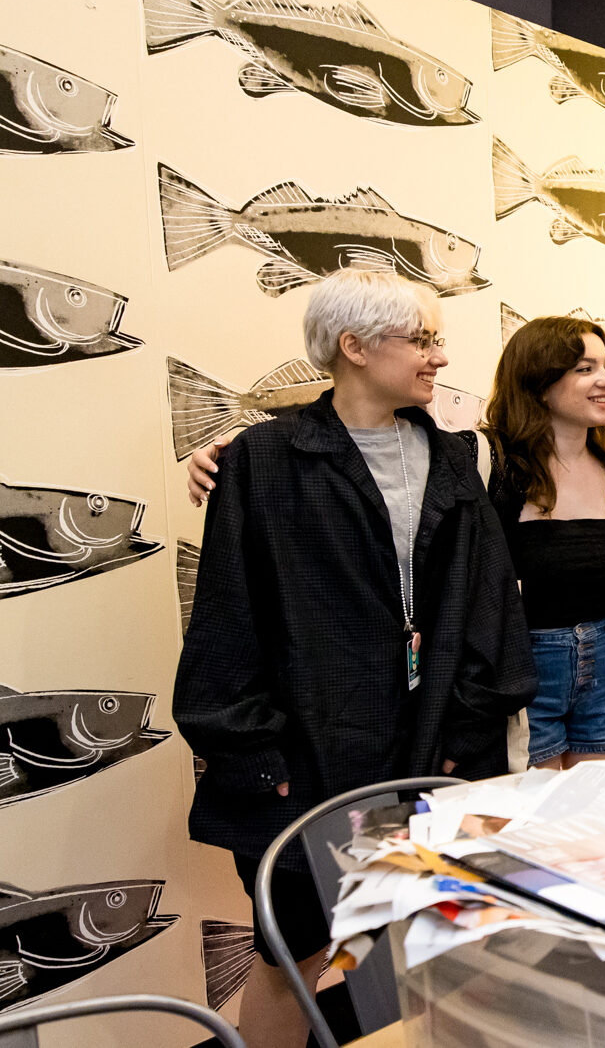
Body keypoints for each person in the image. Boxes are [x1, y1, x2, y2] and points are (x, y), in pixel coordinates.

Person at [173, 270, 536, 1048]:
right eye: (422, 340)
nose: (439, 356)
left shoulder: (458, 462)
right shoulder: (265, 460)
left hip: (429, 751)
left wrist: (468, 735)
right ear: (355, 346)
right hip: (306, 757)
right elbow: (227, 621)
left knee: (426, 947)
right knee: (291, 957)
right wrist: (260, 757)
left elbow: (486, 610)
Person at [480, 315, 605, 770]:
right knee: (536, 820)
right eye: (585, 369)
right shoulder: (493, 468)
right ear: (539, 380)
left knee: (598, 816)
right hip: (523, 667)